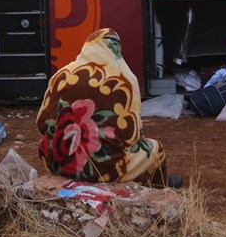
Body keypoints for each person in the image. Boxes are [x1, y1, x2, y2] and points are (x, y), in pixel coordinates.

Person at [36, 28, 180, 188]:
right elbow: (132, 136)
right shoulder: (125, 79)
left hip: (58, 164)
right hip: (105, 171)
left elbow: (42, 124)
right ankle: (157, 191)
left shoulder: (61, 75)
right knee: (154, 149)